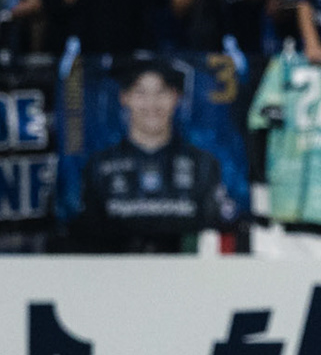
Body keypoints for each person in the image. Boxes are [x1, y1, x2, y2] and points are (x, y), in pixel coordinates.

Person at [78, 60, 236, 253]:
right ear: (124, 97)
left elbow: (218, 227)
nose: (151, 103)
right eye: (140, 92)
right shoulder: (99, 165)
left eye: (161, 92)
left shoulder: (203, 164)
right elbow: (87, 232)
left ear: (176, 97)